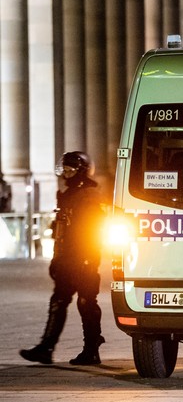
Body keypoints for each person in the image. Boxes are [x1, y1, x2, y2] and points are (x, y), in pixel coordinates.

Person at [20, 151, 106, 365]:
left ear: (82, 171)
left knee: (86, 303)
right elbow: (60, 231)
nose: (66, 174)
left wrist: (88, 258)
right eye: (65, 169)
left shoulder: (89, 196)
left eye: (71, 170)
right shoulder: (67, 194)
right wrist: (56, 258)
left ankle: (91, 349)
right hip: (67, 258)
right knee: (59, 301)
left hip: (84, 257)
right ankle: (46, 348)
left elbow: (92, 230)